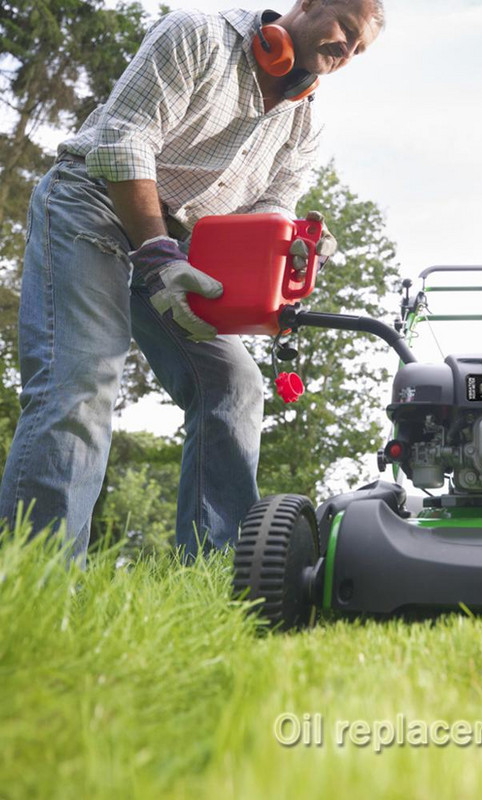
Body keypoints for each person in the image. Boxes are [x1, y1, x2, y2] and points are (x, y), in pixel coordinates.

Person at [0, 0, 384, 563]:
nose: (346, 51)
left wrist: (290, 254)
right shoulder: (198, 36)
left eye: (360, 49)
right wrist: (156, 254)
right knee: (80, 384)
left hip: (186, 250)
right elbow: (124, 139)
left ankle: (216, 575)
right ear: (307, 5)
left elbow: (272, 207)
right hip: (92, 205)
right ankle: (34, 582)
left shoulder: (306, 120)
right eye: (344, 30)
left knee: (234, 384)